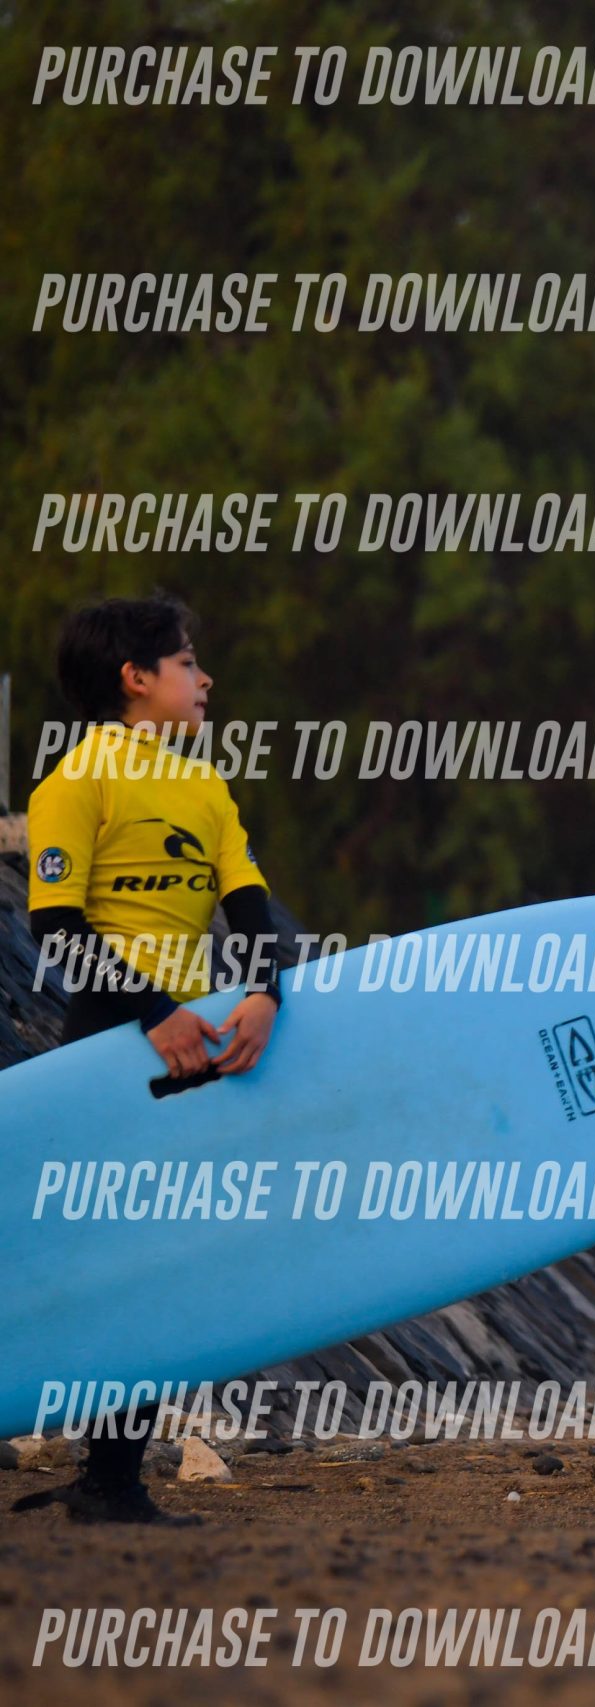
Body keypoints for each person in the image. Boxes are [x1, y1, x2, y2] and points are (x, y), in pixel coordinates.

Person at [14, 596, 289, 1525]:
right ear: (136, 678)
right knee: (98, 1260)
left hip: (192, 1050)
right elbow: (57, 926)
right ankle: (101, 1475)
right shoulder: (75, 782)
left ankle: (111, 1477)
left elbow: (251, 912)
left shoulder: (205, 787)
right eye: (186, 661)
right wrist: (155, 1012)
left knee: (162, 1265)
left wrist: (265, 995)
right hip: (108, 1043)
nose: (205, 678)